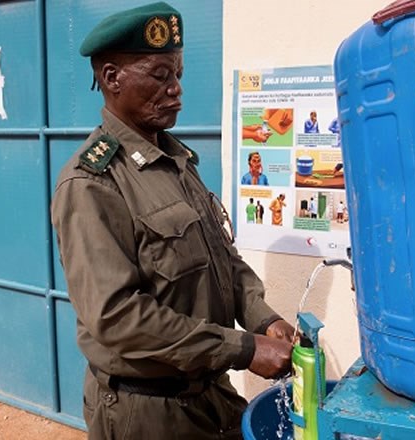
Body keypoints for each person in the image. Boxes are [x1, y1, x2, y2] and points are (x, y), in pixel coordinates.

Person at [50, 3, 294, 439]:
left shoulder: (175, 160)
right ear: (111, 78)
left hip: (207, 393)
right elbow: (118, 318)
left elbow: (224, 260)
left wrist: (263, 320)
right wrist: (243, 348)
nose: (176, 89)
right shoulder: (92, 183)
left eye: (178, 74)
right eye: (160, 76)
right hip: (146, 413)